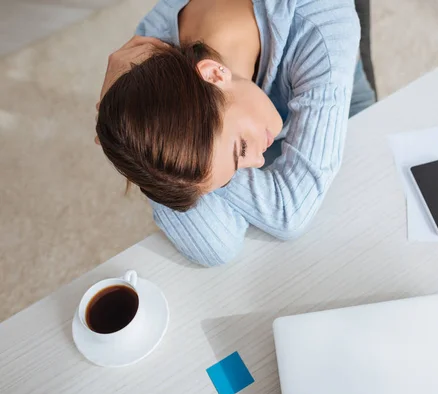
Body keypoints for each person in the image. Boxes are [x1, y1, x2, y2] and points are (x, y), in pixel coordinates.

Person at [95, 0, 376, 266]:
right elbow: (217, 245)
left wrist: (144, 161)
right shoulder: (143, 82)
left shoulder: (319, 25)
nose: (258, 163)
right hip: (267, 130)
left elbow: (291, 212)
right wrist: (132, 154)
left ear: (215, 75)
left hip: (344, 109)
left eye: (240, 149)